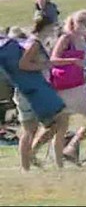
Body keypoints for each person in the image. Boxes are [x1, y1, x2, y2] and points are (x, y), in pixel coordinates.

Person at [2, 19, 68, 171]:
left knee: (30, 129)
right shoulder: (34, 43)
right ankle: (31, 155)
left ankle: (26, 166)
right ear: (46, 27)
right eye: (53, 27)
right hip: (34, 91)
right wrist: (46, 65)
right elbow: (23, 65)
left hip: (24, 90)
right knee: (59, 121)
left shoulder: (27, 43)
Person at [48, 10, 86, 163]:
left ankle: (72, 146)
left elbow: (84, 58)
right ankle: (58, 162)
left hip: (79, 84)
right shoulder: (66, 38)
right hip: (64, 85)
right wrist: (72, 61)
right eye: (85, 24)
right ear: (75, 23)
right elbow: (53, 59)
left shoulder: (81, 40)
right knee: (61, 126)